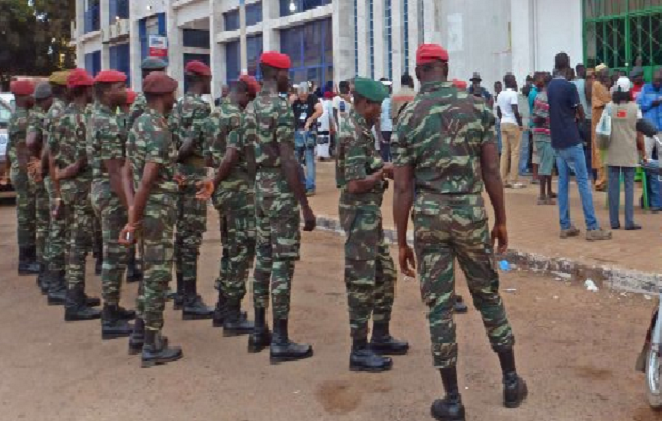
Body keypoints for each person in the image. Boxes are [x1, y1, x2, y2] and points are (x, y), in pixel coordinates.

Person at [392, 43, 527, 420]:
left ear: (419, 73)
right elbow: (491, 171)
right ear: (446, 68)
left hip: (431, 217)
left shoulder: (408, 117)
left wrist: (401, 241)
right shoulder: (478, 107)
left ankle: (452, 400)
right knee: (488, 297)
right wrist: (501, 219)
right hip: (470, 212)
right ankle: (512, 381)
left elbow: (403, 188)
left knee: (438, 308)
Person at [243, 51, 317, 362]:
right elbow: (288, 158)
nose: (290, 77)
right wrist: (305, 206)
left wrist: (258, 183)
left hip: (260, 186)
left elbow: (247, 153)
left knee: (262, 258)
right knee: (282, 263)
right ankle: (281, 339)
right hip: (280, 191)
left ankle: (259, 329)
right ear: (277, 73)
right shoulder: (280, 109)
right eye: (287, 72)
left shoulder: (251, 107)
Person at [336, 77, 408, 373]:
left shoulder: (362, 128)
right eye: (377, 106)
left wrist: (382, 169)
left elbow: (366, 167)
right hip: (359, 213)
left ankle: (379, 335)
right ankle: (359, 349)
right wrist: (382, 173)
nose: (380, 111)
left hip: (369, 215)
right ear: (364, 103)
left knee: (385, 274)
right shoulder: (353, 133)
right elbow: (354, 184)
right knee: (362, 280)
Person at [120, 71, 183, 367]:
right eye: (173, 93)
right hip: (157, 212)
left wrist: (134, 212)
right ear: (163, 96)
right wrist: (133, 219)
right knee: (157, 275)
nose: (175, 98)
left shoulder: (139, 124)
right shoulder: (158, 129)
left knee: (148, 271)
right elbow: (146, 180)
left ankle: (139, 333)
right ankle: (152, 344)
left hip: (147, 208)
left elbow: (127, 172)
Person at [199, 74, 260, 335]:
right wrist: (218, 178)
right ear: (245, 94)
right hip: (238, 192)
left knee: (229, 249)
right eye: (251, 99)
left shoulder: (213, 115)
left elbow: (204, 152)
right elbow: (233, 155)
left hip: (224, 193)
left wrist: (214, 181)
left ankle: (223, 307)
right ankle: (232, 314)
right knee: (241, 250)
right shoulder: (238, 117)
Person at [89, 70, 137, 340]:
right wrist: (130, 206)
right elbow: (115, 171)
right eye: (121, 87)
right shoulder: (105, 122)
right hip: (110, 193)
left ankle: (113, 307)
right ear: (108, 91)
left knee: (115, 254)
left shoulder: (101, 116)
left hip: (103, 190)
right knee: (114, 255)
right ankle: (109, 317)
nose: (124, 91)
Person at [52, 68, 102, 321]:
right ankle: (74, 302)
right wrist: (75, 168)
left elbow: (51, 154)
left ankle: (77, 295)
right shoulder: (85, 119)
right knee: (79, 245)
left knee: (74, 240)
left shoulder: (60, 117)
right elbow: (88, 156)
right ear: (86, 90)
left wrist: (60, 182)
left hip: (69, 188)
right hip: (82, 187)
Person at [548, 53, 611, 241]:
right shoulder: (570, 87)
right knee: (583, 182)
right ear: (567, 66)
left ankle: (565, 225)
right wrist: (579, 117)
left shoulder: (550, 87)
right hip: (572, 139)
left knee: (563, 183)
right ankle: (592, 227)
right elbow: (581, 113)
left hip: (557, 141)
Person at [170, 60, 214, 320]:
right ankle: (190, 298)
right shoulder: (199, 107)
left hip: (180, 176)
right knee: (191, 237)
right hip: (193, 174)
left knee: (181, 236)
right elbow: (189, 143)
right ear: (202, 79)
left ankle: (181, 293)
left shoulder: (177, 107)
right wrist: (177, 159)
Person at [603, 77, 645, 231]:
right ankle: (629, 221)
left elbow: (603, 128)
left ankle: (614, 222)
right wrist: (643, 152)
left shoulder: (609, 107)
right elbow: (639, 133)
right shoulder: (635, 108)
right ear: (629, 91)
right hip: (629, 152)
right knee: (629, 188)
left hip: (612, 152)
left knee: (613, 188)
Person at [43, 71, 71, 305]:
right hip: (59, 179)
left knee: (59, 230)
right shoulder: (59, 112)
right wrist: (58, 187)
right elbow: (52, 154)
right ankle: (55, 283)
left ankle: (56, 281)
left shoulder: (57, 110)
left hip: (59, 178)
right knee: (59, 230)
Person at [7, 80, 39, 276]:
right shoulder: (21, 120)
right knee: (26, 216)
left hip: (21, 171)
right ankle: (26, 260)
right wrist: (31, 176)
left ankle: (29, 257)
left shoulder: (22, 116)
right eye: (31, 95)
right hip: (23, 172)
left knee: (27, 215)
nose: (33, 98)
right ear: (24, 97)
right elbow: (22, 153)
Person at [25, 82, 53, 292]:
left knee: (45, 224)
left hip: (40, 172)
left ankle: (45, 273)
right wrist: (40, 162)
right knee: (47, 224)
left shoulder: (38, 115)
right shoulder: (40, 116)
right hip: (44, 174)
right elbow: (31, 141)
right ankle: (46, 275)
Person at [637, 69, 662, 212]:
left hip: (661, 130)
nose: (658, 83)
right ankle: (647, 197)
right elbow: (639, 106)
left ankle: (658, 198)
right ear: (652, 79)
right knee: (647, 162)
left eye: (660, 81)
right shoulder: (645, 89)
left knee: (660, 166)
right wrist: (653, 103)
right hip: (647, 131)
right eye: (656, 80)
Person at [292, 84, 322, 195]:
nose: (302, 99)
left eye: (304, 96)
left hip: (309, 132)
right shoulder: (294, 100)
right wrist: (290, 101)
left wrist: (310, 119)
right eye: (300, 96)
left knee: (309, 158)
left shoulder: (313, 98)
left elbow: (320, 110)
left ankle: (310, 186)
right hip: (296, 131)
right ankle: (300, 184)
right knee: (296, 160)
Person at [497, 73, 525, 188]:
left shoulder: (500, 94)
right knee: (515, 151)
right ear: (511, 82)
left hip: (503, 123)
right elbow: (515, 110)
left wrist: (503, 118)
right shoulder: (513, 94)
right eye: (514, 79)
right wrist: (520, 124)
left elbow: (498, 111)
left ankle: (502, 179)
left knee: (504, 152)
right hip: (512, 123)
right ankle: (513, 180)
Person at [532, 73, 556, 205]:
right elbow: (539, 117)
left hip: (544, 133)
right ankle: (542, 196)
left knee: (547, 164)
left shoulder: (540, 96)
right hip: (544, 134)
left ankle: (547, 192)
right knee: (545, 165)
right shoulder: (544, 97)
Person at [591, 63, 612, 191]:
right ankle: (601, 181)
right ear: (599, 73)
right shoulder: (596, 85)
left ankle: (604, 180)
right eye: (605, 72)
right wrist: (608, 104)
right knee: (599, 151)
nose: (607, 74)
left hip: (605, 123)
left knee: (604, 151)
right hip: (598, 123)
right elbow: (597, 103)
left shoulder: (603, 85)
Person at [375, 78, 394, 162]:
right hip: (392, 128)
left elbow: (377, 119)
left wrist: (378, 134)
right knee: (392, 153)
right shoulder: (393, 100)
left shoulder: (379, 101)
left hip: (384, 129)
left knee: (384, 153)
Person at [317, 91, 335, 160]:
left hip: (319, 121)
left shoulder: (322, 102)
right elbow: (331, 115)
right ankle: (325, 155)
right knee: (326, 138)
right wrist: (333, 125)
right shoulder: (329, 103)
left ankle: (320, 155)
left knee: (320, 138)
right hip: (325, 122)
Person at [494, 81, 503, 154]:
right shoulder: (492, 98)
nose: (498, 89)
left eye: (499, 87)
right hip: (493, 121)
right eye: (497, 87)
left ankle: (500, 155)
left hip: (501, 121)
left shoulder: (503, 97)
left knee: (500, 140)